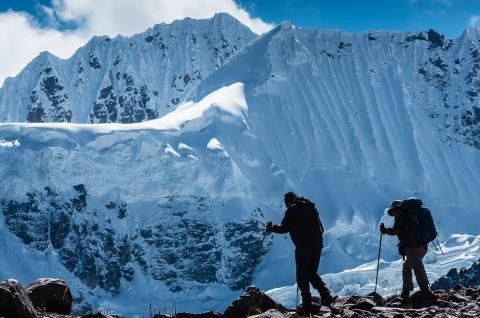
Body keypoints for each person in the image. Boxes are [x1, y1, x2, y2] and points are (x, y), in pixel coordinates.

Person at [266, 192, 334, 313]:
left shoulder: (292, 210)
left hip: (304, 246)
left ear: (288, 202)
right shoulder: (311, 207)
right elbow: (321, 228)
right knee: (311, 272)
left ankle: (307, 304)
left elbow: (284, 228)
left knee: (302, 275)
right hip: (317, 245)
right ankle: (326, 295)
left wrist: (272, 228)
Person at [380, 199, 434, 303]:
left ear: (397, 209)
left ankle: (425, 292)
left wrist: (385, 230)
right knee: (407, 267)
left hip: (412, 248)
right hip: (422, 246)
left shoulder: (402, 217)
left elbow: (395, 231)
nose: (394, 214)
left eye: (394, 211)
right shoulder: (409, 214)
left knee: (417, 268)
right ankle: (406, 293)